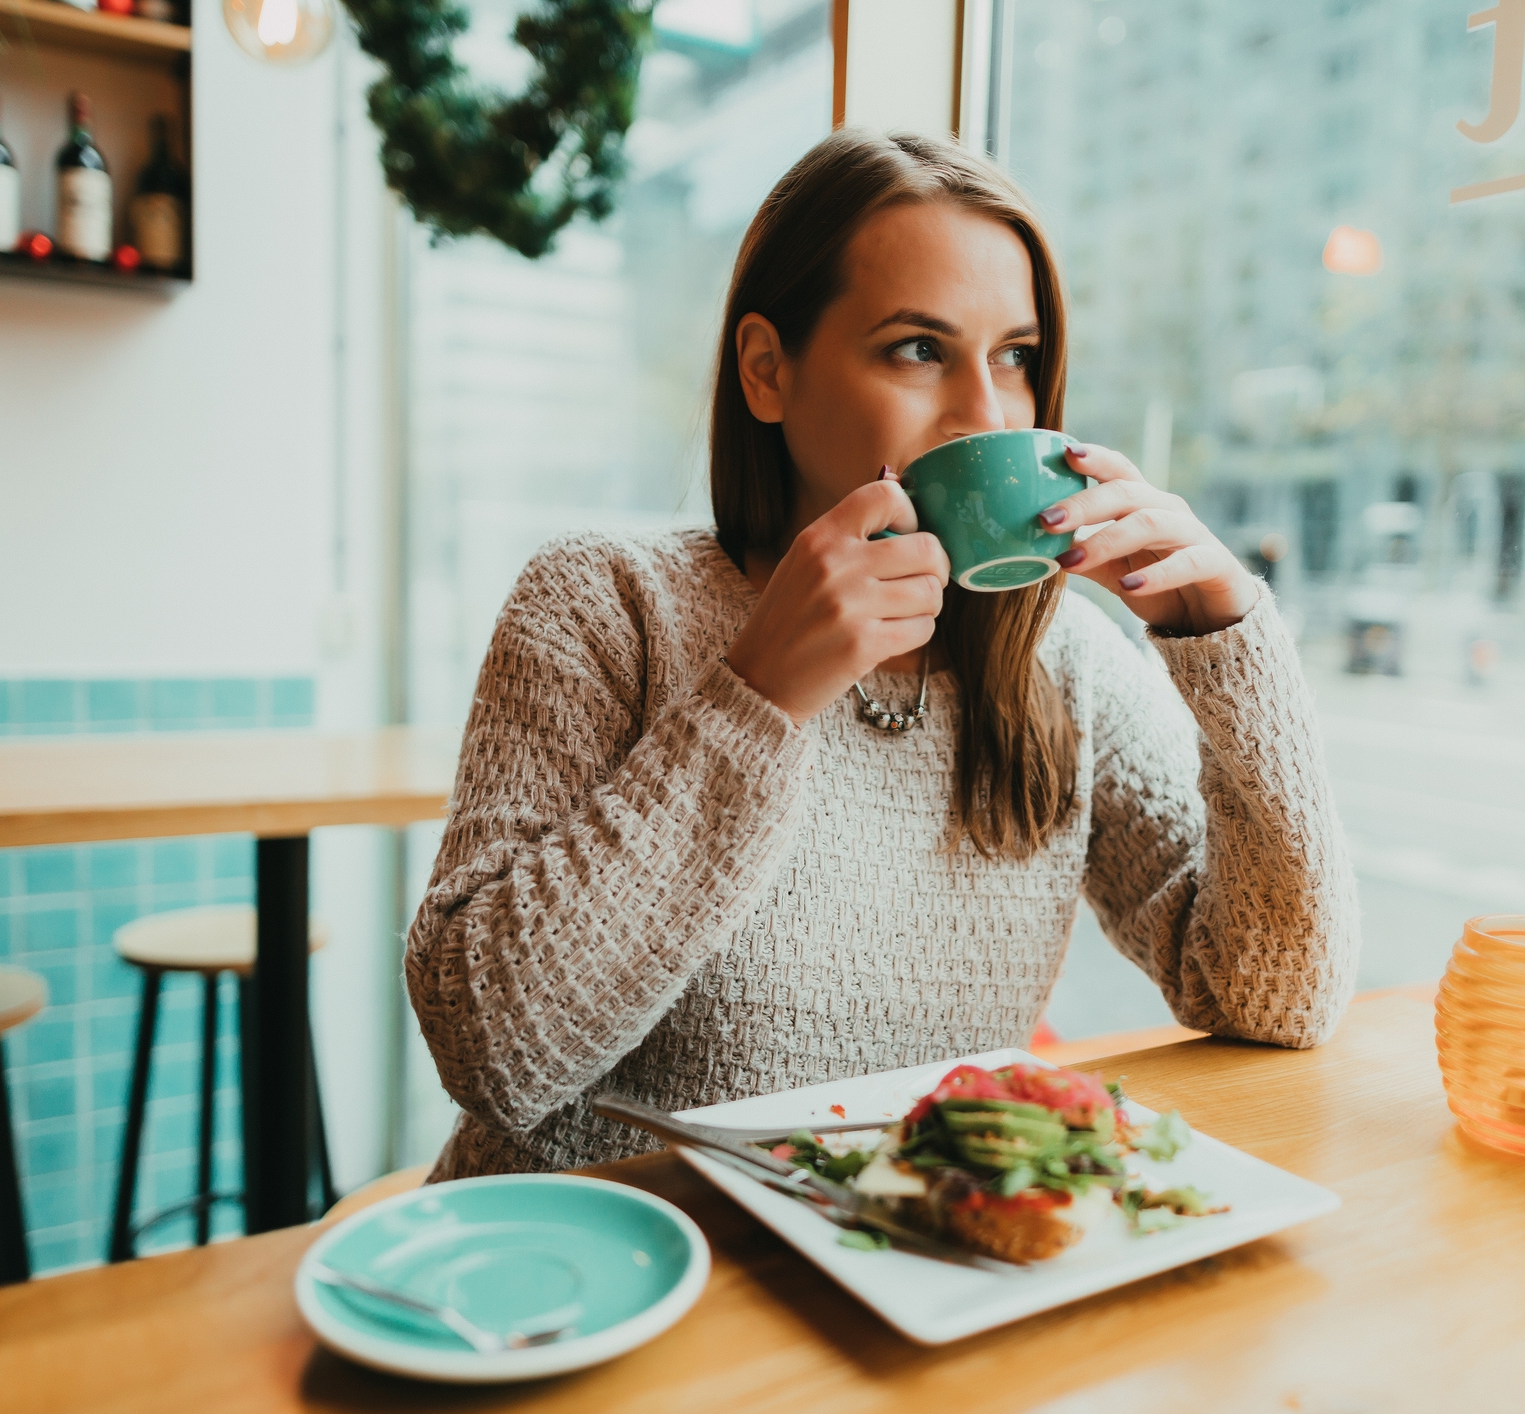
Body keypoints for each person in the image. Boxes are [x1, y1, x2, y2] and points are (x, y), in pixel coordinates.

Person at [406, 129, 1360, 1179]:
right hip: (591, 1276)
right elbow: (489, 1049)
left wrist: (1221, 640)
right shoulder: (604, 599)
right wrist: (754, 697)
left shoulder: (1061, 662)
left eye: (1018, 357)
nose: (985, 416)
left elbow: (1276, 996)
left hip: (885, 1284)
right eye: (917, 349)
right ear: (769, 371)